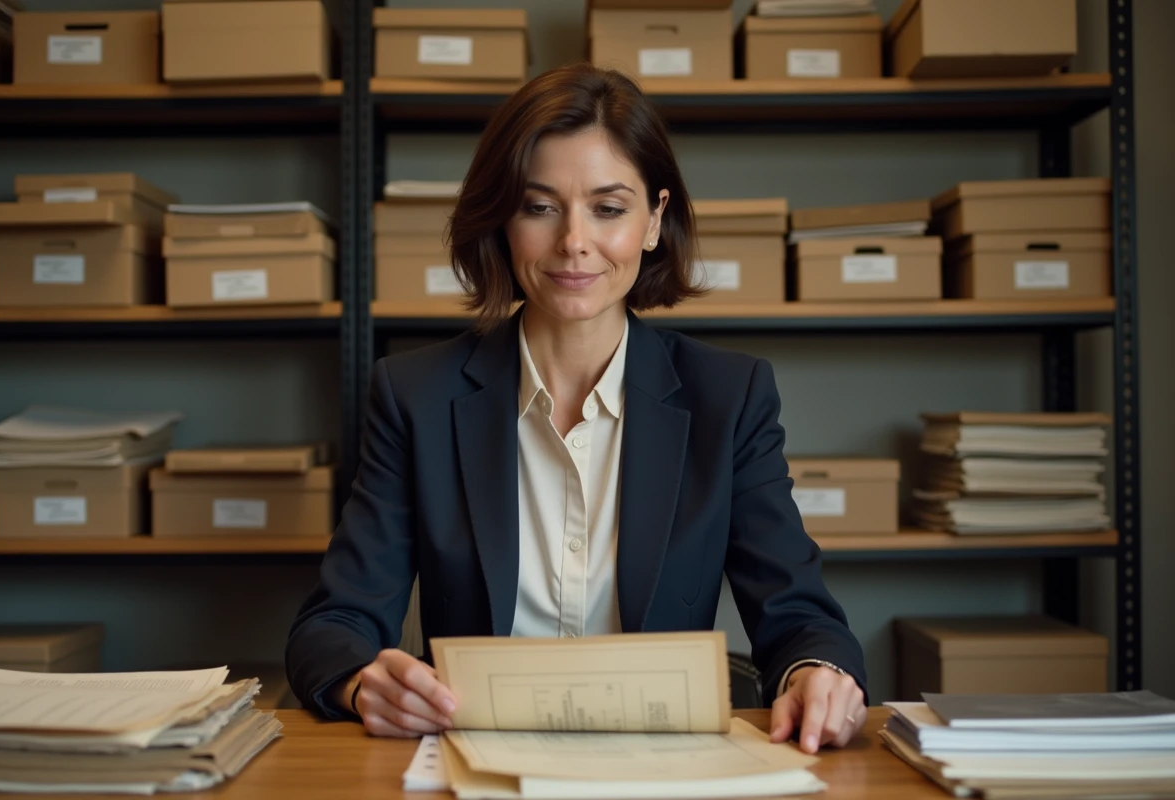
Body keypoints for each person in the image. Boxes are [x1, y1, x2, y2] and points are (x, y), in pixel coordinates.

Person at [286, 62, 867, 754]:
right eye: (539, 207)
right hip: (475, 761)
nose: (573, 241)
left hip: (662, 766)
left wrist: (817, 673)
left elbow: (800, 618)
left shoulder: (728, 397)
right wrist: (361, 683)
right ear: (502, 219)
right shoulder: (416, 395)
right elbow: (334, 625)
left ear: (654, 220)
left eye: (608, 208)